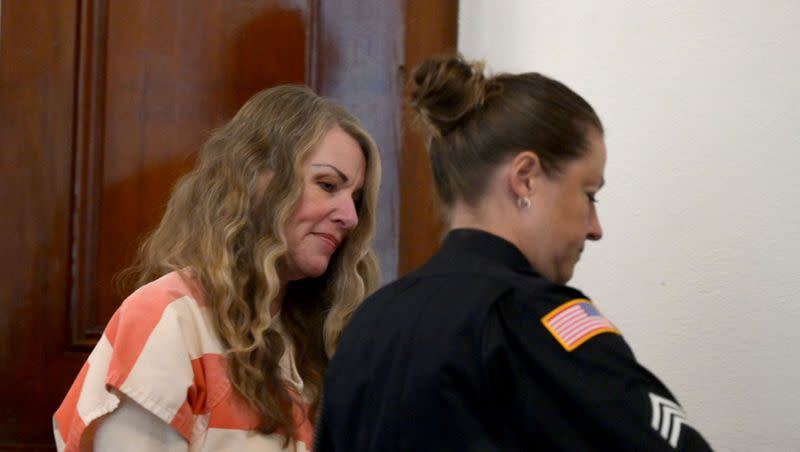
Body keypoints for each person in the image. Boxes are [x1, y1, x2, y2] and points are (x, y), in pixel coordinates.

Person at [315, 55, 713, 451]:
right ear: (526, 178)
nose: (595, 228)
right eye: (589, 194)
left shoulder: (369, 324)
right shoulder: (528, 319)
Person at [53, 85, 382, 451]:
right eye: (327, 184)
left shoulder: (305, 338)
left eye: (354, 198)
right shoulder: (168, 319)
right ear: (259, 178)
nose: (350, 217)